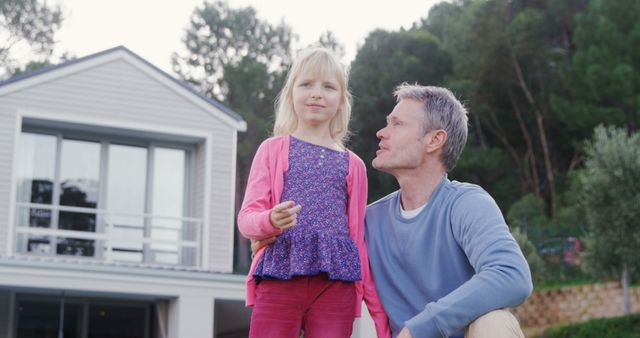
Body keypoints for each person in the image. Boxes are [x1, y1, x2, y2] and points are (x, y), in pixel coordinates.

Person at [237, 47, 390, 338]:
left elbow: (358, 242)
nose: (317, 94)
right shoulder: (272, 150)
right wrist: (270, 219)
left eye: (328, 87)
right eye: (306, 84)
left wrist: (380, 319)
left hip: (336, 284)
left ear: (342, 99)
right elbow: (247, 219)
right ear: (291, 94)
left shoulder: (354, 166)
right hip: (280, 273)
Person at [365, 83, 533, 338]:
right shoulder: (369, 219)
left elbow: (511, 275)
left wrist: (418, 328)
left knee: (494, 322)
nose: (381, 133)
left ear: (435, 140)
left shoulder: (466, 203)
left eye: (397, 124)